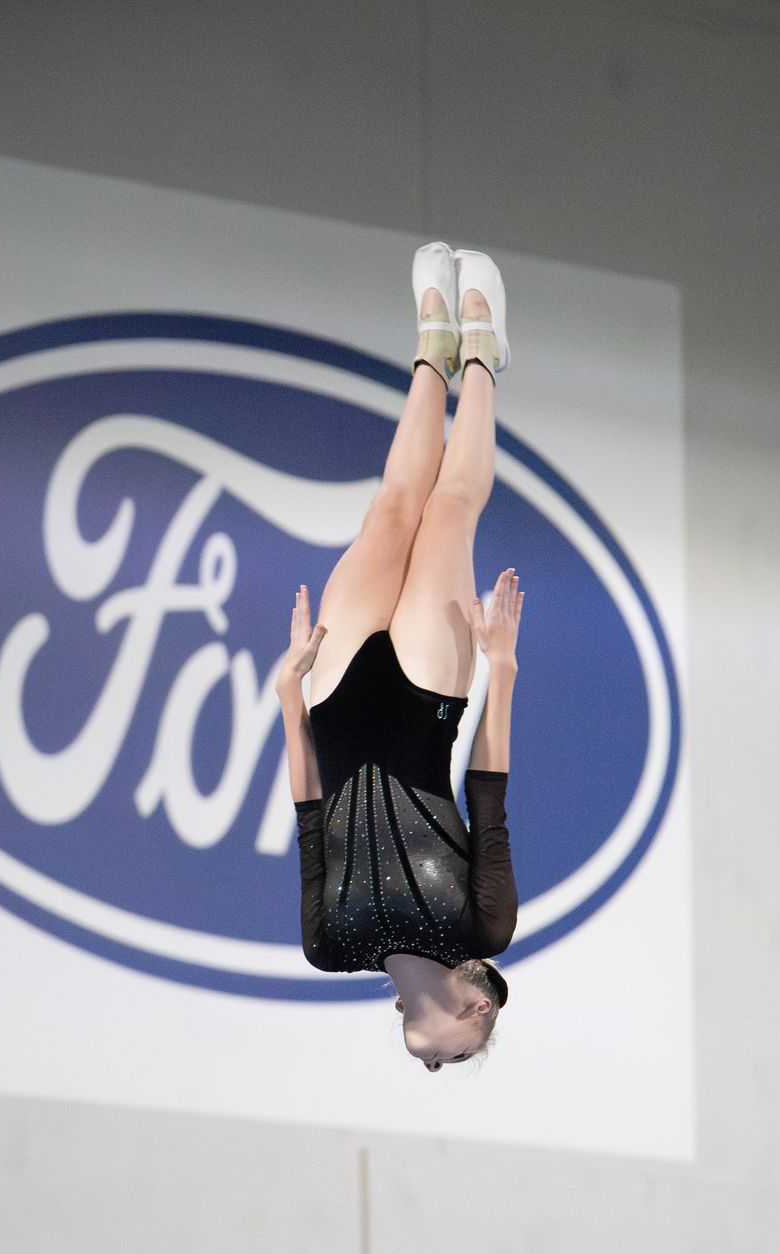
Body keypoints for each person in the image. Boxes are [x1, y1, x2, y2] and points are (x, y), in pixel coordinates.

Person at [275, 242, 522, 1072]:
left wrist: (286, 699)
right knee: (447, 512)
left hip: (336, 699)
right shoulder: (482, 928)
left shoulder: (327, 947)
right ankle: (482, 356)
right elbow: (488, 798)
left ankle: (431, 344)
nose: (436, 1061)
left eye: (438, 1065)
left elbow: (311, 819)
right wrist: (503, 670)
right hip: (425, 706)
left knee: (389, 513)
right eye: (461, 1054)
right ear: (477, 1005)